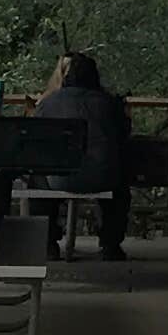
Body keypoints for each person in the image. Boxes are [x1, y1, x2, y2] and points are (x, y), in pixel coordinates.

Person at [34, 50, 133, 259]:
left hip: (59, 178)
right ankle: (110, 244)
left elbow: (38, 139)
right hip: (102, 178)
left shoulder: (48, 103)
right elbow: (123, 137)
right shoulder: (108, 103)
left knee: (37, 180)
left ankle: (47, 243)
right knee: (121, 183)